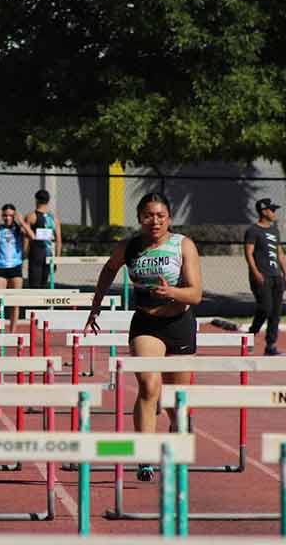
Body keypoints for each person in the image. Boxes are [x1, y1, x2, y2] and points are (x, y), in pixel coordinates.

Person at [83, 192, 202, 482]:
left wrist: (171, 292)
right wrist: (96, 305)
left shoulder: (183, 245)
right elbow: (109, 269)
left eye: (161, 216)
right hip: (146, 324)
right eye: (149, 215)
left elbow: (196, 294)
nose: (155, 221)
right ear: (139, 218)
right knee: (149, 387)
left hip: (179, 322)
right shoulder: (130, 246)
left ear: (169, 219)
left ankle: (177, 440)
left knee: (176, 402)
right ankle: (145, 456)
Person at [244, 198, 286, 356]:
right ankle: (251, 334)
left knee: (276, 313)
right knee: (265, 309)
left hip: (276, 277)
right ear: (264, 211)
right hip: (262, 277)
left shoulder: (274, 230)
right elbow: (248, 253)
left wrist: (285, 273)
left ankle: (270, 346)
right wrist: (255, 272)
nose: (274, 213)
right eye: (272, 210)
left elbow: (280, 252)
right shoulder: (253, 231)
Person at [0, 204, 36, 331]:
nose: (7, 218)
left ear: (14, 216)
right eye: (5, 215)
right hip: (1, 268)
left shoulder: (18, 229)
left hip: (15, 268)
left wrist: (22, 221)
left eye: (10, 215)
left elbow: (32, 236)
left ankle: (12, 332)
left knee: (15, 303)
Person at [25, 189, 61, 288]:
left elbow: (26, 238)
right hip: (49, 254)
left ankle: (34, 303)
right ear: (48, 201)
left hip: (36, 253)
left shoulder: (31, 216)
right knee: (44, 284)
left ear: (36, 200)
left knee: (34, 285)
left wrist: (24, 253)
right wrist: (57, 259)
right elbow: (59, 240)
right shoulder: (54, 218)